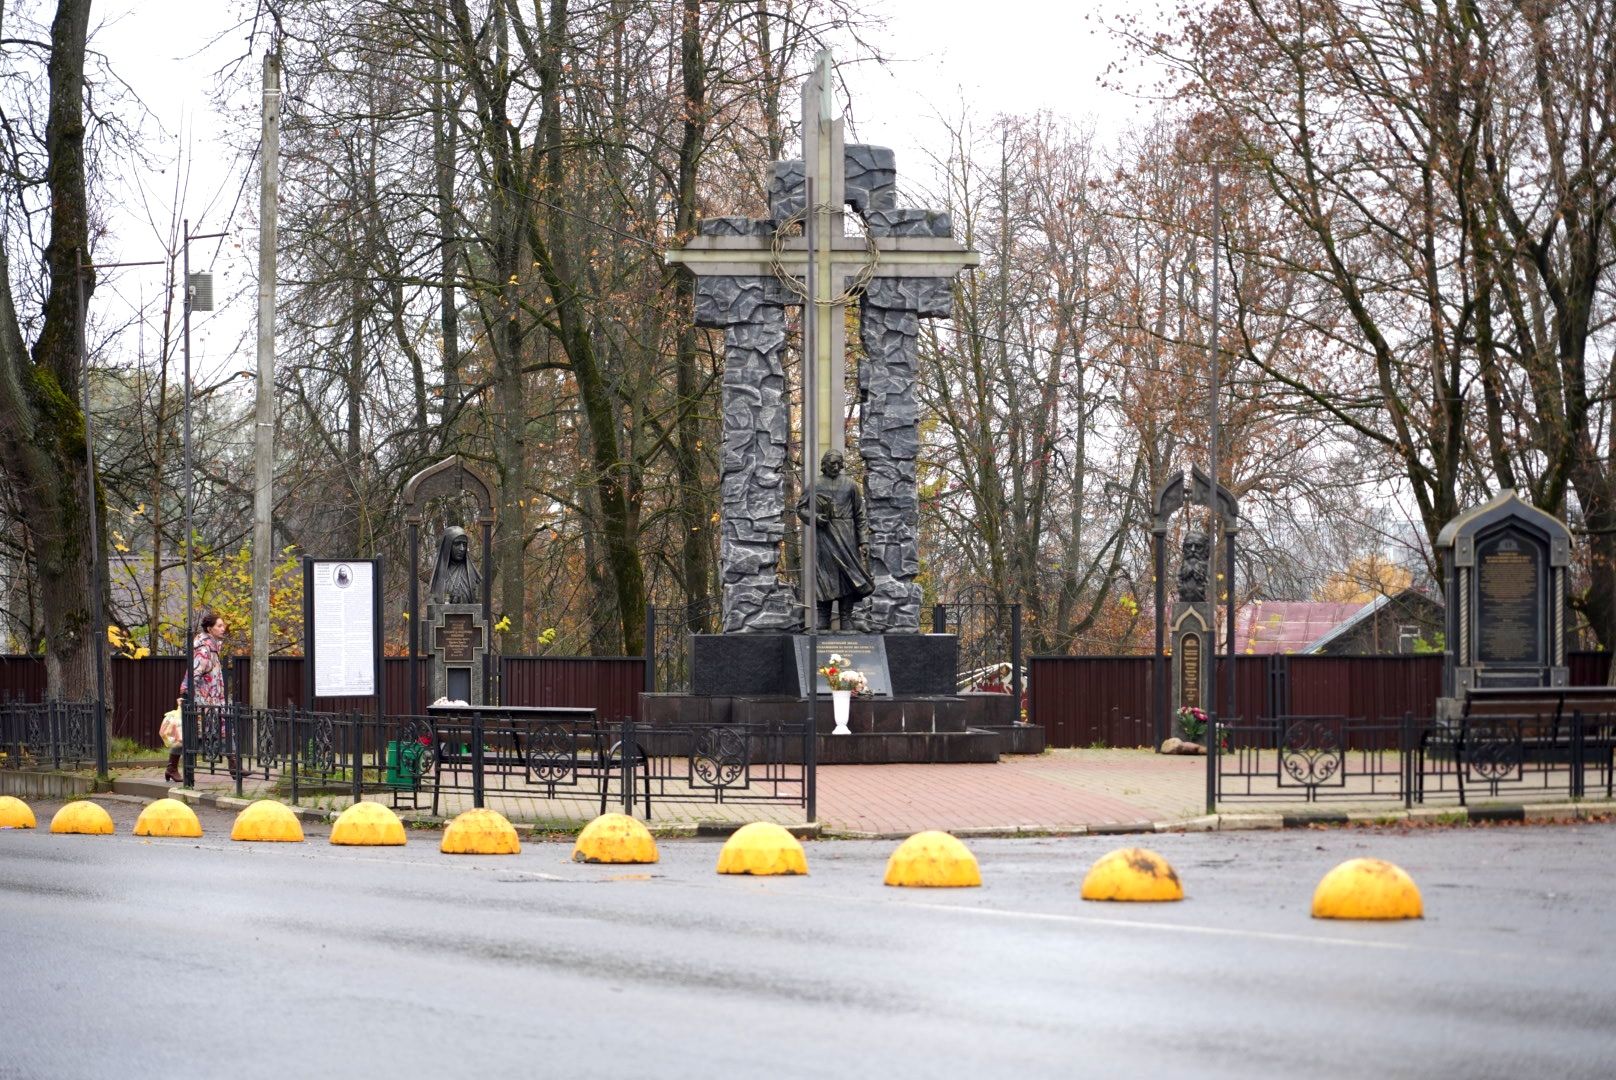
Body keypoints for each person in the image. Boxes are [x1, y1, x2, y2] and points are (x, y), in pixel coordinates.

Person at [797, 449, 874, 631]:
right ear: (824, 464)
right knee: (825, 575)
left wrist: (863, 541)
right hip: (825, 536)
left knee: (848, 575)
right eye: (832, 464)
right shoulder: (815, 484)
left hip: (847, 536)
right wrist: (815, 518)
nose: (836, 467)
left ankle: (846, 616)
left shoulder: (850, 485)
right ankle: (823, 616)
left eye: (839, 463)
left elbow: (860, 515)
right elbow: (801, 509)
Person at [170, 611, 230, 782]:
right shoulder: (204, 649)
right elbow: (194, 672)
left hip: (213, 699)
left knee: (223, 729)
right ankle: (172, 767)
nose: (223, 628)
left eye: (223, 625)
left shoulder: (213, 647)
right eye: (219, 625)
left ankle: (234, 766)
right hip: (202, 701)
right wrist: (186, 693)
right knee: (188, 734)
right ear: (210, 629)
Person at [429, 525, 481, 606]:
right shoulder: (437, 577)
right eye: (457, 544)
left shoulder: (472, 575)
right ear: (447, 546)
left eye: (464, 544)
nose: (462, 548)